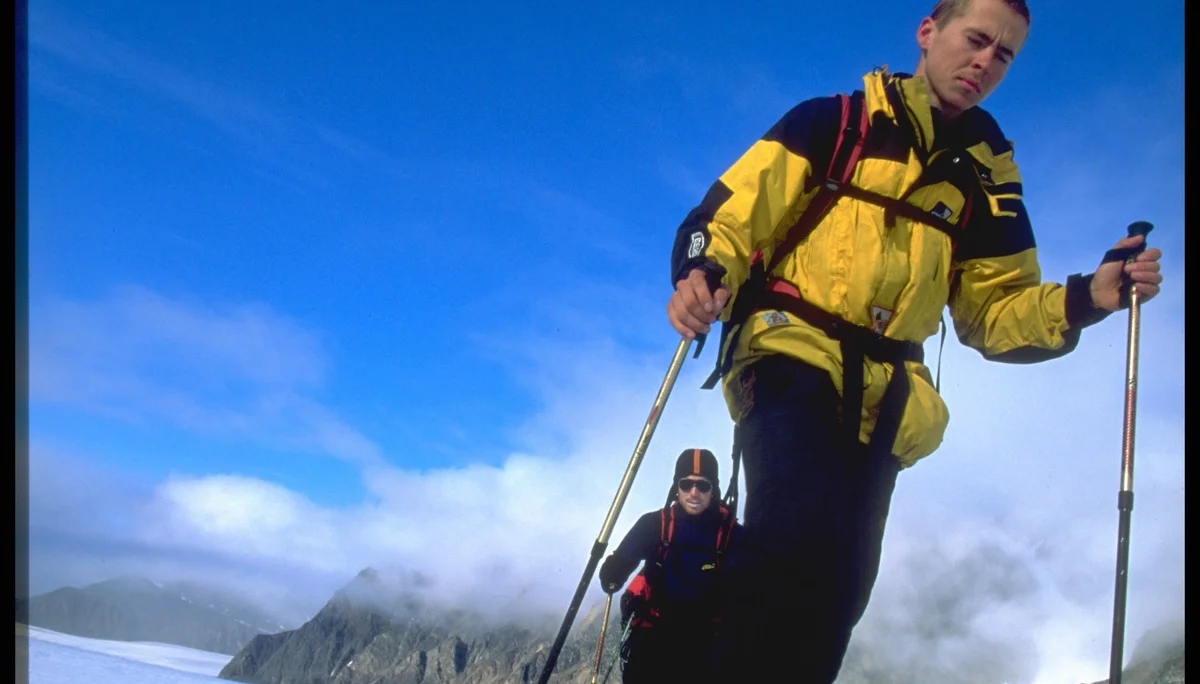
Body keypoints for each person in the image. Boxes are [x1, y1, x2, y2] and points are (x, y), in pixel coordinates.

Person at [663, 1, 1166, 682]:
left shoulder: (987, 178)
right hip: (789, 355)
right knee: (789, 545)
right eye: (977, 39)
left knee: (842, 587)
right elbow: (728, 215)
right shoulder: (833, 123)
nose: (986, 62)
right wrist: (703, 271)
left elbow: (993, 311)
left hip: (887, 401)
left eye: (1005, 53)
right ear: (928, 33)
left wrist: (1089, 297)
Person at [597, 448, 743, 683]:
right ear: (677, 487)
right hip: (656, 634)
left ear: (713, 489)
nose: (694, 492)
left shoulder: (731, 534)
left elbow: (757, 582)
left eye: (703, 485)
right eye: (686, 484)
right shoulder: (654, 525)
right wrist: (614, 571)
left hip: (706, 640)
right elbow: (613, 575)